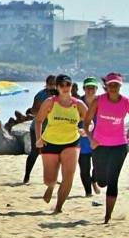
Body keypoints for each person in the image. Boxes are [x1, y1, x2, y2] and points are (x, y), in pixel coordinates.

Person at [35, 74, 88, 214]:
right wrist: (38, 139)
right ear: (57, 87)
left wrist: (86, 130)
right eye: (62, 85)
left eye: (68, 85)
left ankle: (58, 207)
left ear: (71, 86)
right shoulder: (50, 102)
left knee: (68, 176)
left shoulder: (78, 104)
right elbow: (39, 120)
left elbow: (90, 121)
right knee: (49, 179)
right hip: (50, 142)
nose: (65, 88)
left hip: (72, 142)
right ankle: (51, 187)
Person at [85, 73, 129, 223]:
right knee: (102, 180)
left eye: (116, 85)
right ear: (106, 86)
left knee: (113, 180)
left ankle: (107, 216)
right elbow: (86, 123)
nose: (113, 88)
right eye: (110, 85)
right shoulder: (99, 101)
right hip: (100, 145)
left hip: (119, 146)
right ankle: (94, 178)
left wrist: (127, 136)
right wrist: (91, 139)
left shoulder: (125, 102)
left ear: (120, 86)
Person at [23, 75, 58, 184]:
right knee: (35, 152)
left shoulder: (61, 95)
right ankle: (27, 176)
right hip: (38, 128)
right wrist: (45, 112)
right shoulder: (41, 95)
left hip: (53, 129)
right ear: (46, 84)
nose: (52, 86)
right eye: (50, 84)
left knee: (54, 153)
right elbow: (34, 111)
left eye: (54, 84)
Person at [78, 77, 100, 198]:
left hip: (98, 140)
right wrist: (78, 130)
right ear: (84, 88)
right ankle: (88, 192)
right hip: (81, 141)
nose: (90, 90)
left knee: (99, 167)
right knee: (84, 169)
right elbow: (72, 120)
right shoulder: (78, 103)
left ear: (96, 88)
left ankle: (94, 180)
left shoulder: (101, 102)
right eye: (88, 87)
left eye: (93, 87)